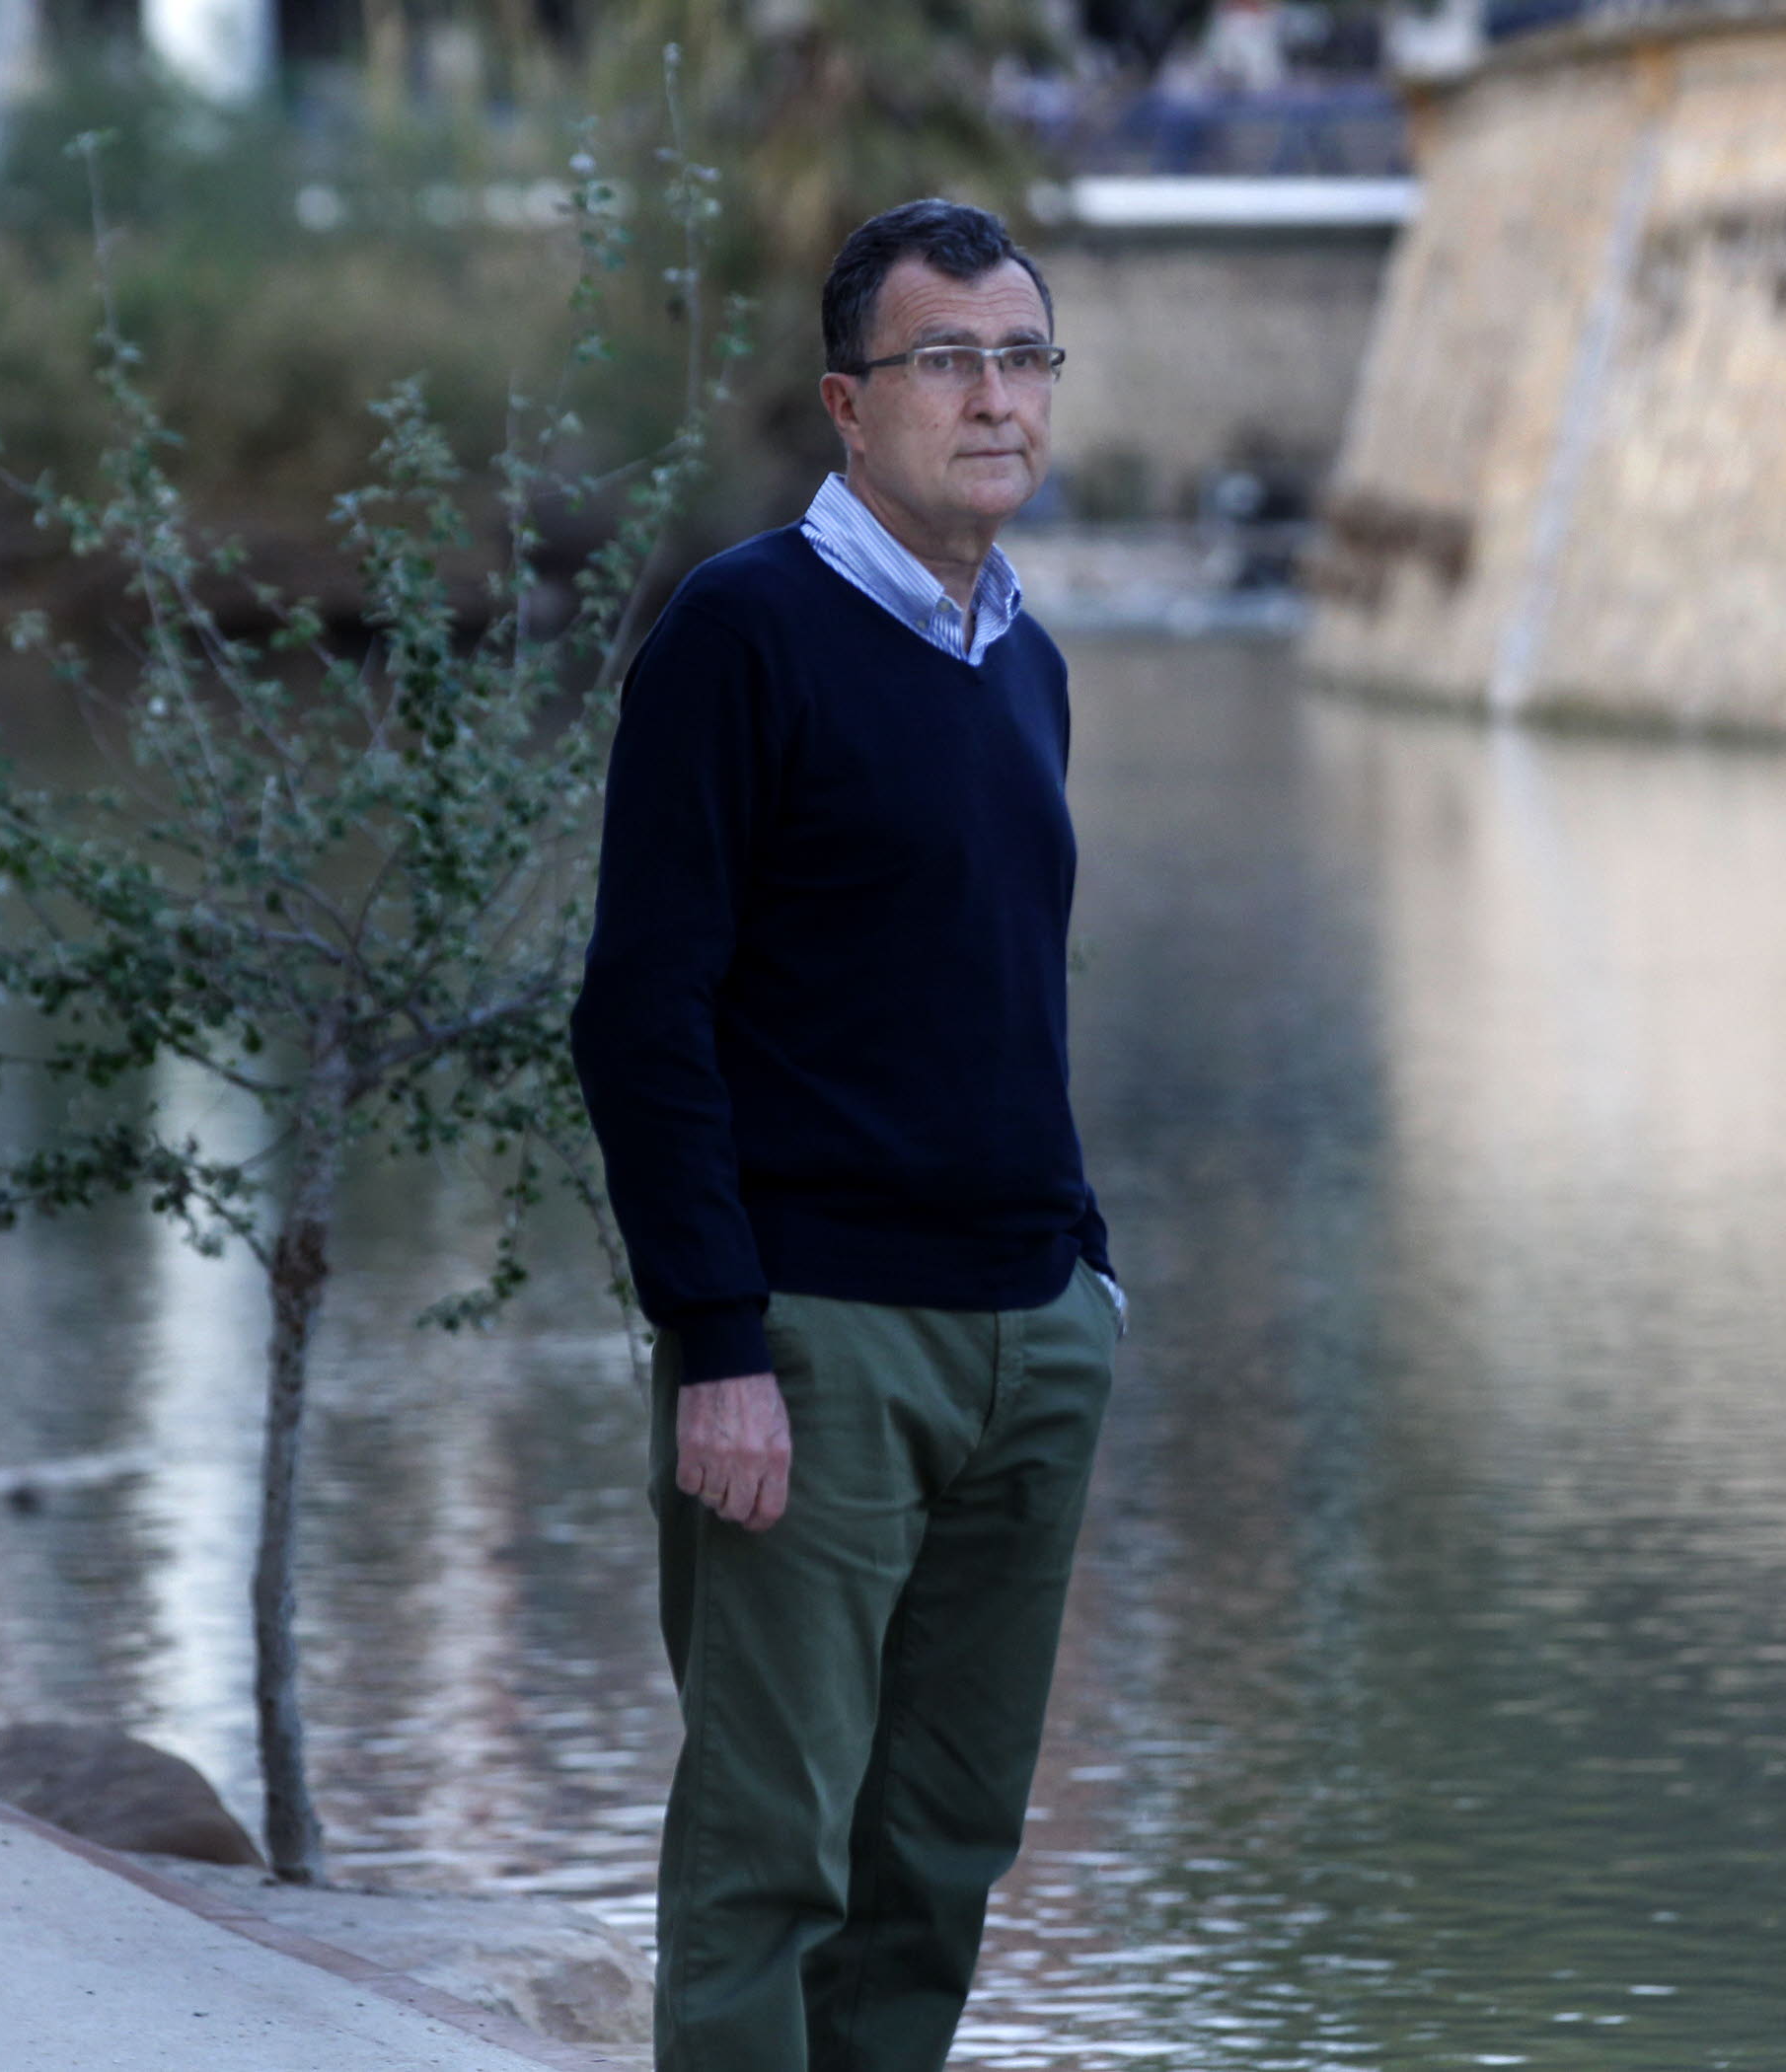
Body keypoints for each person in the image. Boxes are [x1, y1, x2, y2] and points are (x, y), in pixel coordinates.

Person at [569, 197, 1123, 2072]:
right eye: (944, 358)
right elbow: (640, 1018)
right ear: (845, 402)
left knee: (943, 1851)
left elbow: (1001, 993)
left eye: (1023, 356)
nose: (993, 396)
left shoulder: (1022, 659)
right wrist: (715, 1340)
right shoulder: (740, 636)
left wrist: (1086, 1275)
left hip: (1027, 1330)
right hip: (814, 1340)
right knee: (769, 1855)